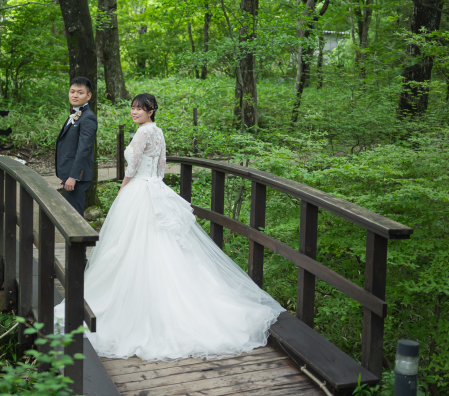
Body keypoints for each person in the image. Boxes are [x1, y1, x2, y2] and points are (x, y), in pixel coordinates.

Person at [55, 93, 285, 361]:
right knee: (163, 244)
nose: (135, 112)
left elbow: (132, 166)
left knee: (131, 243)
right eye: (133, 108)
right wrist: (156, 185)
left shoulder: (143, 132)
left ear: (151, 111)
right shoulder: (158, 131)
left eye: (140, 109)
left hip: (139, 189)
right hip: (154, 187)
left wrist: (123, 189)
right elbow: (161, 164)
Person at [55, 76, 98, 216]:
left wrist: (73, 176)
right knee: (69, 215)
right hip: (70, 175)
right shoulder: (75, 113)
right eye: (72, 91)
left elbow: (84, 149)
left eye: (80, 92)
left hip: (78, 177)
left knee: (74, 217)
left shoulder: (88, 117)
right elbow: (70, 146)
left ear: (88, 96)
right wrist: (65, 173)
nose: (75, 95)